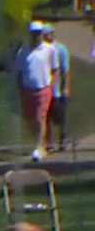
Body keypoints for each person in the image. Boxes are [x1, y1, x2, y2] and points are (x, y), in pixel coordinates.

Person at [16, 21, 59, 162]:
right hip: (27, 89)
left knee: (40, 118)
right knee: (29, 119)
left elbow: (54, 69)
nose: (36, 36)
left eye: (38, 33)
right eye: (33, 34)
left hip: (43, 89)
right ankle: (40, 143)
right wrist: (20, 89)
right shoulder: (24, 51)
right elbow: (20, 72)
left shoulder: (49, 50)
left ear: (42, 34)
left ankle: (39, 147)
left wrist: (52, 87)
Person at [47, 24, 73, 152]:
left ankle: (63, 139)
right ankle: (49, 143)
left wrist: (66, 87)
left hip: (58, 90)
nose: (46, 37)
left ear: (52, 34)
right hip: (46, 89)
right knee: (46, 117)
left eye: (47, 34)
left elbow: (66, 71)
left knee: (61, 116)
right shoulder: (42, 49)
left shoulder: (61, 49)